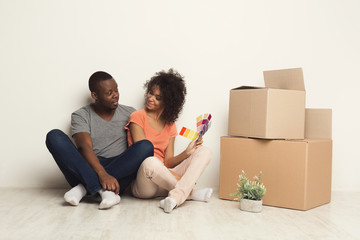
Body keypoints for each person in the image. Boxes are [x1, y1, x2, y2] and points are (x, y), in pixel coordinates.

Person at [46, 71, 154, 209]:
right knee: (54, 136)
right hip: (87, 167)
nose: (115, 95)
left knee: (145, 146)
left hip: (118, 172)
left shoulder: (130, 113)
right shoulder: (81, 115)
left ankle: (83, 189)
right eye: (109, 93)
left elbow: (143, 141)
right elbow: (84, 146)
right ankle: (103, 190)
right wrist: (102, 174)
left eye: (116, 90)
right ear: (95, 96)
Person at [125, 69, 212, 213]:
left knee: (204, 151)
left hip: (165, 181)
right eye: (151, 92)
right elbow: (143, 156)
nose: (150, 98)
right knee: (151, 162)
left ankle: (175, 197)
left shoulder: (170, 124)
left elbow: (168, 162)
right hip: (145, 182)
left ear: (168, 102)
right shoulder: (137, 117)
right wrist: (176, 176)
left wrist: (187, 152)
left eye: (158, 97)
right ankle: (190, 193)